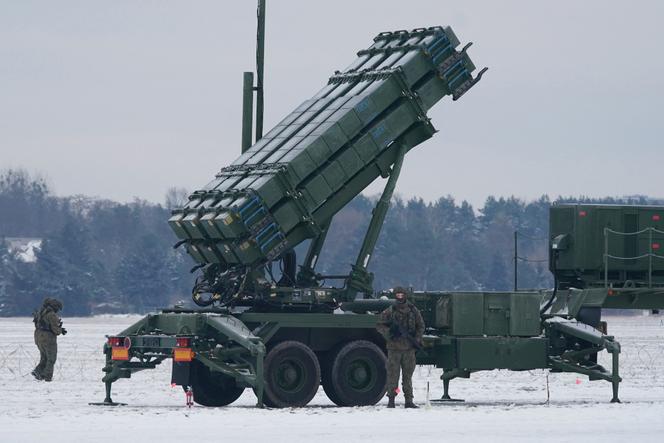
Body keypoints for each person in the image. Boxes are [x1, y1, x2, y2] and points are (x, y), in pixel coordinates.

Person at [377, 287, 424, 409]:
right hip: (394, 349)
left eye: (401, 294)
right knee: (393, 376)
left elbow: (421, 326)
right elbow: (380, 325)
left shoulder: (413, 311)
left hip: (409, 348)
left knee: (407, 378)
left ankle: (409, 400)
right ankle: (391, 399)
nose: (400, 297)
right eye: (397, 295)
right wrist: (390, 333)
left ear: (405, 295)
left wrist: (417, 339)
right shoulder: (390, 310)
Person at [32, 298, 67, 381]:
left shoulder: (40, 312)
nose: (58, 310)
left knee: (44, 357)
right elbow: (55, 330)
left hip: (38, 336)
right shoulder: (51, 315)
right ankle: (47, 376)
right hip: (48, 338)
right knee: (51, 359)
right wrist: (60, 330)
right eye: (58, 308)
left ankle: (38, 372)